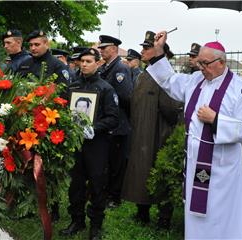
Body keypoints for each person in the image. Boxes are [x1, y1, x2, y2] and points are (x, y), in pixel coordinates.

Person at [146, 31, 242, 239]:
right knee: (197, 217)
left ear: (222, 62)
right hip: (196, 162)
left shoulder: (241, 89)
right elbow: (169, 80)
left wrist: (216, 119)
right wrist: (159, 51)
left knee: (221, 217)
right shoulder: (196, 81)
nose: (201, 67)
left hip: (223, 171)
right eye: (200, 63)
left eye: (205, 64)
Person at [122, 31, 181, 228]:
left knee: (160, 175)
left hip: (157, 135)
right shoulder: (143, 74)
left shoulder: (165, 77)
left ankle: (164, 219)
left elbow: (172, 109)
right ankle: (142, 213)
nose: (142, 51)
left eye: (147, 48)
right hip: (140, 134)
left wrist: (159, 130)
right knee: (140, 173)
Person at [60, 48, 119, 240]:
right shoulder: (73, 87)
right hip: (76, 144)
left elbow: (113, 118)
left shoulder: (106, 88)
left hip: (97, 145)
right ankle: (77, 220)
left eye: (88, 61)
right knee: (75, 184)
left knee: (97, 185)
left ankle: (95, 226)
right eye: (82, 61)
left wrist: (95, 128)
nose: (84, 64)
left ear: (98, 63)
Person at [98, 34, 133, 208]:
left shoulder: (119, 69)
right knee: (108, 162)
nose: (101, 50)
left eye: (104, 48)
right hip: (108, 122)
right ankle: (107, 193)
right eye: (100, 48)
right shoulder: (106, 67)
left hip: (118, 123)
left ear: (114, 48)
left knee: (117, 164)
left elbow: (126, 97)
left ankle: (115, 196)